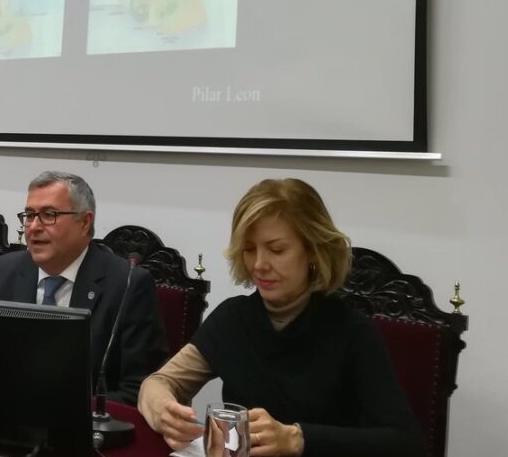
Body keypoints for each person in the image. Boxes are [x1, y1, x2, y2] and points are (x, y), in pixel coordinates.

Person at [138, 178, 425, 457]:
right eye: (249, 250)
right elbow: (159, 383)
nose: (259, 265)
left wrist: (297, 439)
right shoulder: (233, 318)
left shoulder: (352, 331)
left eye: (277, 250)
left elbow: (405, 443)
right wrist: (163, 409)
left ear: (313, 250)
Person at [0, 171, 168, 405]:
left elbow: (139, 389)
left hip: (84, 429)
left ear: (85, 222)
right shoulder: (8, 270)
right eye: (30, 215)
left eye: (48, 215)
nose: (33, 227)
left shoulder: (127, 284)